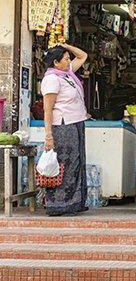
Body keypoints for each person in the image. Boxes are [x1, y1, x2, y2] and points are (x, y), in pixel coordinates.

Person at [41, 43, 89, 216]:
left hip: (76, 122)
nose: (69, 61)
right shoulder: (52, 79)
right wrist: (48, 135)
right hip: (63, 125)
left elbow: (83, 56)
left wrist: (64, 45)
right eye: (66, 59)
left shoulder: (67, 74)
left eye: (69, 59)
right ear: (56, 62)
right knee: (64, 164)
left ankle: (75, 202)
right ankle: (59, 203)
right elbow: (48, 109)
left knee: (77, 162)